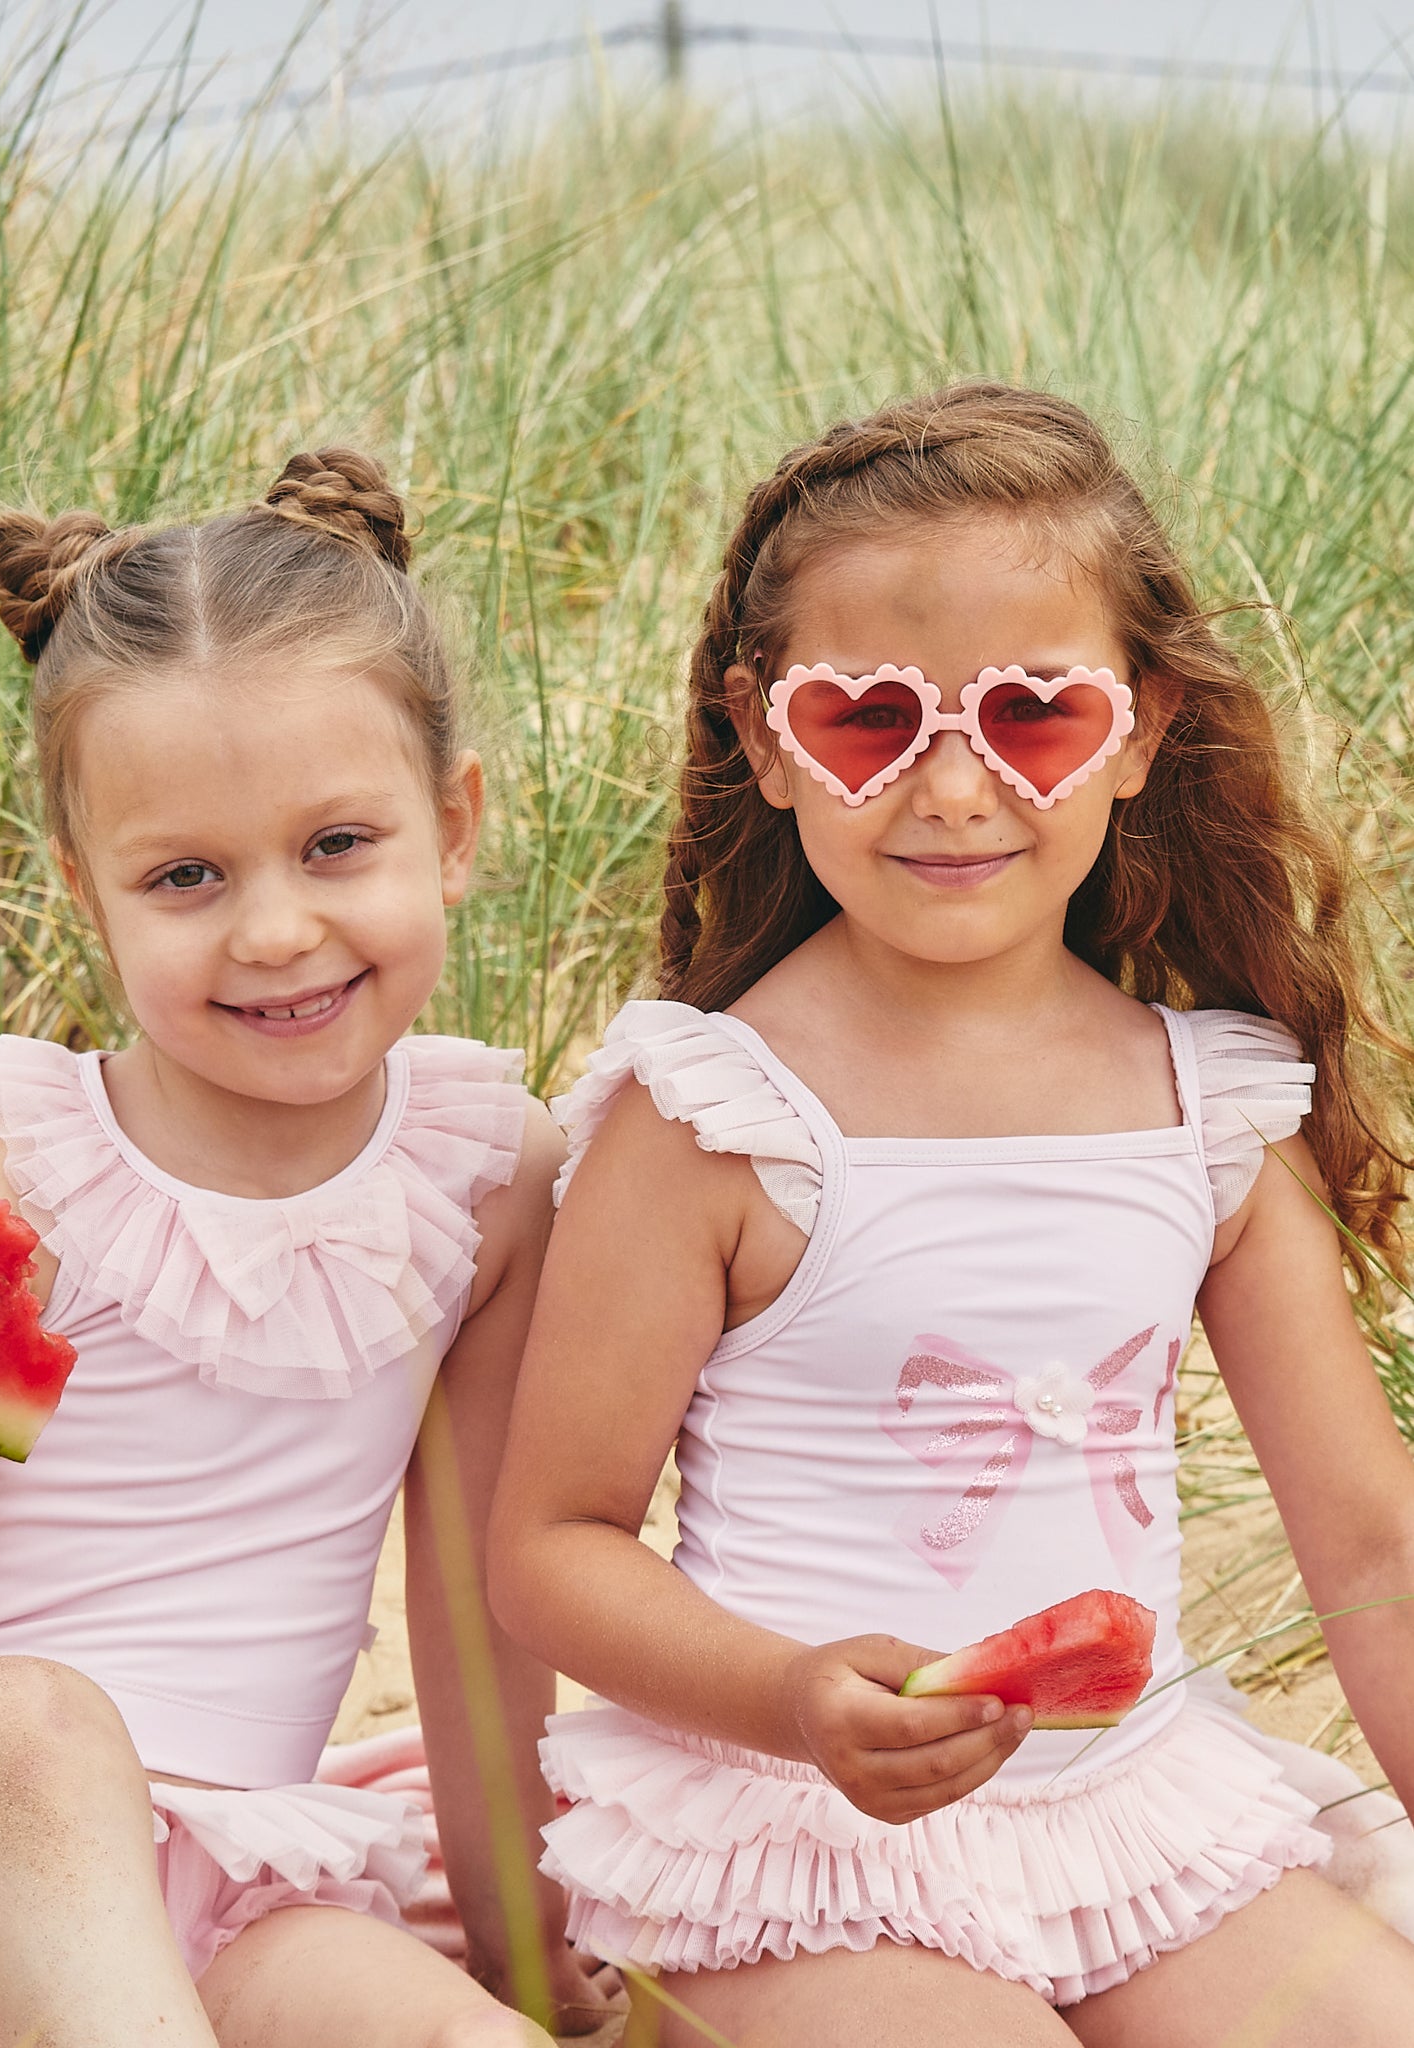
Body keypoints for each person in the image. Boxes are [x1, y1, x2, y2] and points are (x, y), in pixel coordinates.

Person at [489, 383, 1414, 2045]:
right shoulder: (712, 1115)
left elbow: (1370, 1549)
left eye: (1030, 716)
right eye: (870, 719)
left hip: (1135, 1819)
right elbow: (548, 1549)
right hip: (791, 1850)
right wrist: (787, 1698)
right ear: (769, 736)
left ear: (1133, 731)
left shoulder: (1211, 1109)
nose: (953, 786)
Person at [0, 450, 618, 2048]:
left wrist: (520, 1951)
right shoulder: (10, 1179)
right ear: (89, 898)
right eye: (184, 877)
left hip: (230, 1890)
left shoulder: (489, 1180)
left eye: (336, 846)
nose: (274, 930)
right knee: (20, 1723)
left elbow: (473, 1603)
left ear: (452, 826)